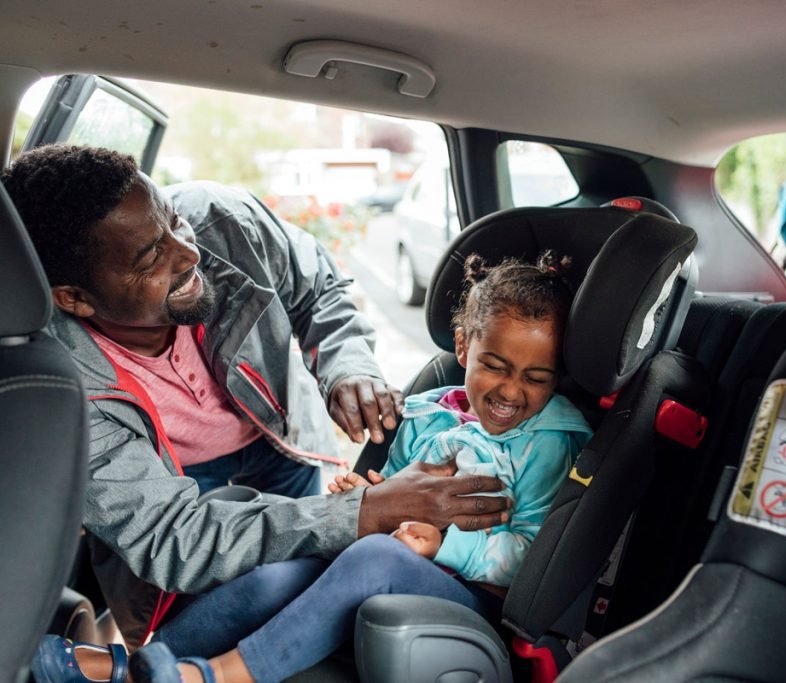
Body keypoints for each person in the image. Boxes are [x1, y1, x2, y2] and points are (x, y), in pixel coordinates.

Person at [1, 144, 511, 651]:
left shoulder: (226, 223)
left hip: (278, 442)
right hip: (171, 484)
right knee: (201, 617)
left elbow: (321, 290)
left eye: (174, 223)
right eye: (151, 255)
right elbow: (173, 537)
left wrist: (346, 363)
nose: (188, 252)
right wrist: (362, 511)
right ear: (74, 298)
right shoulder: (57, 388)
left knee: (302, 577)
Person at [33, 251, 593, 683]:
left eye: (536, 378)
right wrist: (364, 497)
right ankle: (132, 669)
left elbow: (531, 557)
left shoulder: (551, 441)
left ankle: (216, 675)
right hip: (395, 561)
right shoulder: (425, 412)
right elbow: (394, 488)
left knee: (374, 554)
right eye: (495, 366)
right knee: (277, 569)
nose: (512, 391)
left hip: (476, 598)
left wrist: (439, 545)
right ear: (464, 346)